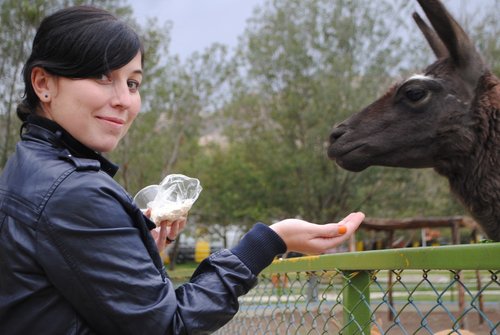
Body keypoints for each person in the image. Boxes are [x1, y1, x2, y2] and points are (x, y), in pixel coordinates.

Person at [0, 5, 365, 335]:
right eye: (101, 77)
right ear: (44, 84)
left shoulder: (27, 167)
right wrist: (268, 242)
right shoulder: (74, 191)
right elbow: (170, 326)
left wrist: (136, 249)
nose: (124, 100)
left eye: (132, 83)